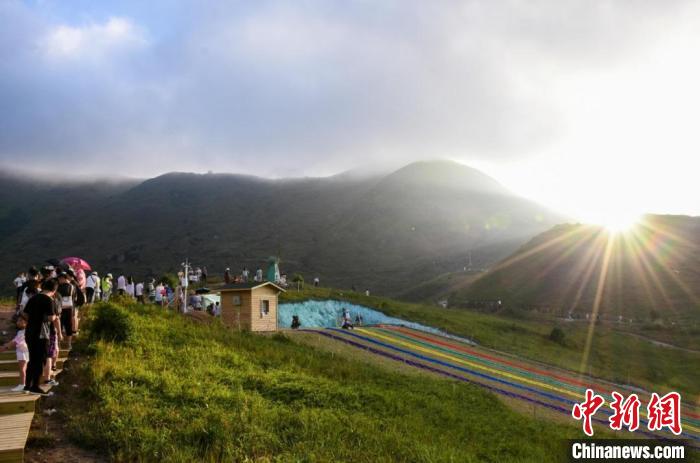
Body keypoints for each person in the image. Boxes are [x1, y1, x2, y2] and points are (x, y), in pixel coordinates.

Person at [23, 278, 58, 395]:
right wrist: (52, 318)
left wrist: (33, 320)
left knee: (32, 358)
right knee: (39, 359)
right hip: (42, 333)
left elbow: (24, 313)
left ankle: (27, 385)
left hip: (29, 331)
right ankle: (35, 386)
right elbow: (51, 317)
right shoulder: (49, 300)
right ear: (54, 289)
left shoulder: (33, 298)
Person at [0, 313, 29, 392]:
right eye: (18, 320)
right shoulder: (21, 331)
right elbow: (14, 340)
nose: (18, 322)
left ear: (26, 322)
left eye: (20, 320)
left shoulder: (24, 332)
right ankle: (24, 384)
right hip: (21, 352)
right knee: (23, 369)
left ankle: (22, 384)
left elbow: (15, 342)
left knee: (22, 369)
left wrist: (5, 347)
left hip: (23, 352)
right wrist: (6, 345)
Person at [57, 272, 76, 350]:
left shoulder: (58, 287)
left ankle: (58, 344)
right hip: (70, 308)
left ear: (63, 278)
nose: (59, 280)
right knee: (69, 326)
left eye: (59, 279)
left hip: (60, 309)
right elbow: (74, 298)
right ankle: (69, 344)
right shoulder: (72, 286)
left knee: (60, 326)